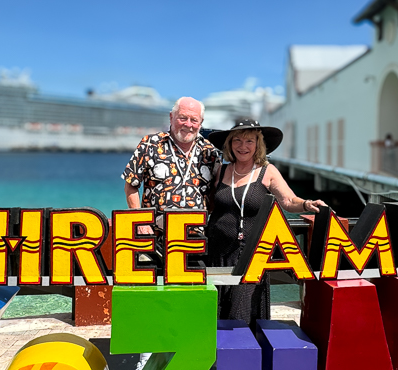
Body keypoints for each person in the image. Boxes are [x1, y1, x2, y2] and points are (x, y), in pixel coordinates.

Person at [206, 118, 326, 327]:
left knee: (239, 315)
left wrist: (307, 204)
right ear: (229, 144)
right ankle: (216, 358)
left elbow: (288, 201)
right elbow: (210, 204)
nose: (243, 146)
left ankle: (243, 358)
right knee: (214, 312)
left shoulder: (267, 170)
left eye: (249, 141)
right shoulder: (222, 171)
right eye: (237, 140)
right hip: (218, 252)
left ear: (258, 144)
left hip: (251, 256)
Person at [122, 97, 220, 234]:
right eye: (183, 118)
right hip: (154, 236)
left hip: (196, 239)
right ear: (171, 117)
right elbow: (131, 184)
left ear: (201, 122)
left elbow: (217, 190)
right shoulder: (151, 144)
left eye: (194, 120)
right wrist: (140, 221)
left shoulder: (209, 151)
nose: (188, 124)